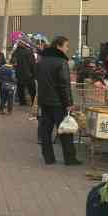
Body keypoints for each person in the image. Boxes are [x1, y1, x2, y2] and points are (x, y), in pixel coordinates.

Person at [36, 36, 80, 165]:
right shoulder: (61, 62)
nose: (67, 49)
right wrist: (69, 104)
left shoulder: (41, 61)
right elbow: (64, 85)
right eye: (66, 46)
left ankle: (48, 157)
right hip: (58, 103)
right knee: (65, 130)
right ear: (59, 46)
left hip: (44, 101)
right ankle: (70, 158)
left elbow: (38, 78)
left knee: (46, 130)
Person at [12, 39, 37, 106]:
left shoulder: (15, 53)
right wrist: (34, 74)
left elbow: (13, 63)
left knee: (20, 89)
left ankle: (22, 102)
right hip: (28, 74)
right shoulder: (29, 52)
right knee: (32, 89)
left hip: (19, 74)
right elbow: (32, 64)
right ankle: (33, 102)